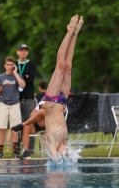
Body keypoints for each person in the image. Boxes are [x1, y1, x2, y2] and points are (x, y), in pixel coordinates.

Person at [45, 14, 83, 164]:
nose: (66, 152)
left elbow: (54, 158)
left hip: (51, 101)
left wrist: (55, 157)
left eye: (64, 153)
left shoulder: (52, 146)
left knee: (60, 66)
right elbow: (69, 154)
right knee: (68, 68)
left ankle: (69, 31)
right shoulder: (64, 143)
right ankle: (75, 33)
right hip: (61, 102)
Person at [0, 56, 25, 158]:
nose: (10, 67)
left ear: (14, 66)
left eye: (11, 65)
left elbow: (23, 85)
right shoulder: (0, 77)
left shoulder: (18, 75)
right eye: (8, 65)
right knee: (2, 129)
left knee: (15, 129)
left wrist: (15, 73)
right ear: (4, 65)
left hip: (15, 103)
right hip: (2, 104)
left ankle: (15, 152)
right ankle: (0, 152)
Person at [16, 44, 36, 154]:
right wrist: (25, 76)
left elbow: (31, 79)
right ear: (17, 52)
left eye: (25, 50)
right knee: (18, 124)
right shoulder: (14, 64)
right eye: (21, 50)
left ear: (27, 52)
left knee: (29, 122)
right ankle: (17, 149)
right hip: (16, 98)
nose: (23, 52)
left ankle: (29, 149)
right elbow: (13, 80)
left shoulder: (31, 64)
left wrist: (19, 76)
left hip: (28, 97)